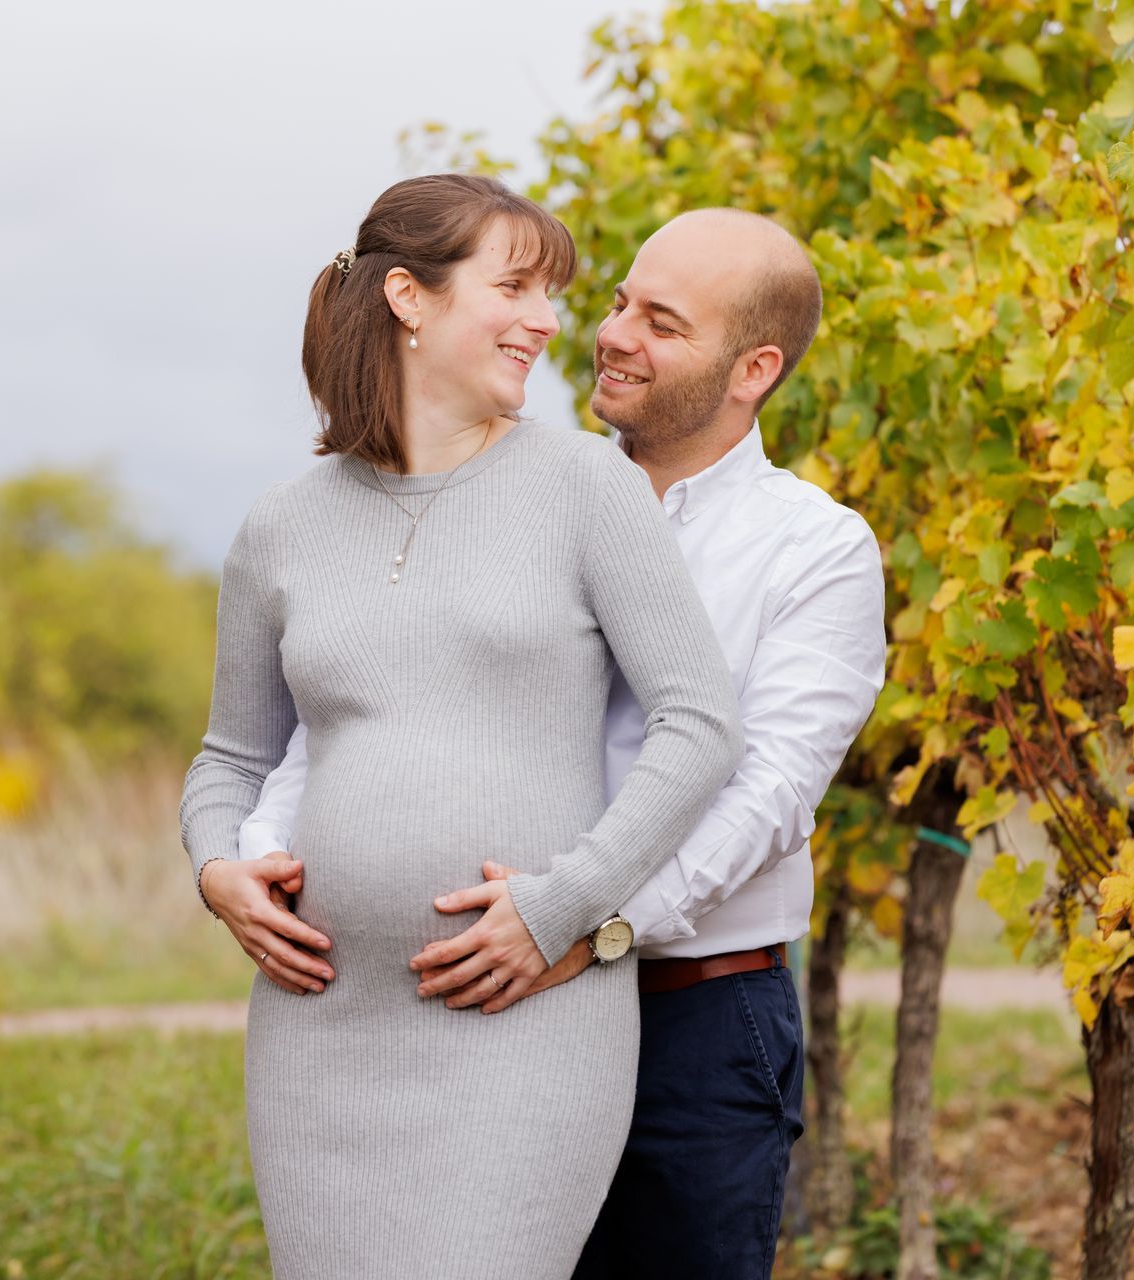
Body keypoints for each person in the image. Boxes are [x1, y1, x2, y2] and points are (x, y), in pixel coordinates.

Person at [240, 208, 887, 1277]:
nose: (612, 334)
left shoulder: (814, 548)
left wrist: (593, 924)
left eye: (662, 324)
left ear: (755, 370)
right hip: (477, 1011)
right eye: (621, 302)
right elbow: (359, 702)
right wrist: (256, 849)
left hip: (691, 1017)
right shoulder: (501, 489)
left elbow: (767, 791)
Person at [177, 174, 743, 1280]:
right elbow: (230, 756)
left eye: (552, 294)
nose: (549, 321)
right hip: (318, 1031)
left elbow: (700, 722)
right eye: (516, 287)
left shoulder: (586, 485)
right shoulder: (280, 527)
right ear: (409, 297)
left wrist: (563, 902)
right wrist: (214, 869)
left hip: (521, 1022)